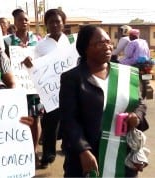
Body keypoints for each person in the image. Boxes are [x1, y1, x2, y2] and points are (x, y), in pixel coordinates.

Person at [59, 24, 148, 177]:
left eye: (109, 42)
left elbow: (139, 104)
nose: (107, 47)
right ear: (85, 48)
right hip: (87, 156)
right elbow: (69, 120)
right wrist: (83, 151)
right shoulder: (72, 78)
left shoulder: (124, 74)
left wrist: (136, 117)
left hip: (121, 155)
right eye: (101, 43)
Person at [23, 8, 75, 169]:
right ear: (46, 25)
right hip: (51, 91)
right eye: (51, 22)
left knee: (72, 120)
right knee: (50, 124)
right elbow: (33, 66)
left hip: (72, 87)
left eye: (58, 21)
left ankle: (69, 148)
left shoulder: (71, 42)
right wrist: (29, 63)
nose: (54, 24)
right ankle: (48, 155)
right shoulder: (40, 46)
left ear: (63, 23)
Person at [4, 8, 43, 168]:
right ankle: (20, 153)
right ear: (15, 22)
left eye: (26, 19)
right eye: (20, 19)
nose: (24, 22)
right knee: (19, 120)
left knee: (35, 121)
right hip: (17, 86)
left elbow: (42, 60)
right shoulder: (7, 41)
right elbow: (4, 62)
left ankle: (33, 152)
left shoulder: (37, 39)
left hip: (33, 86)